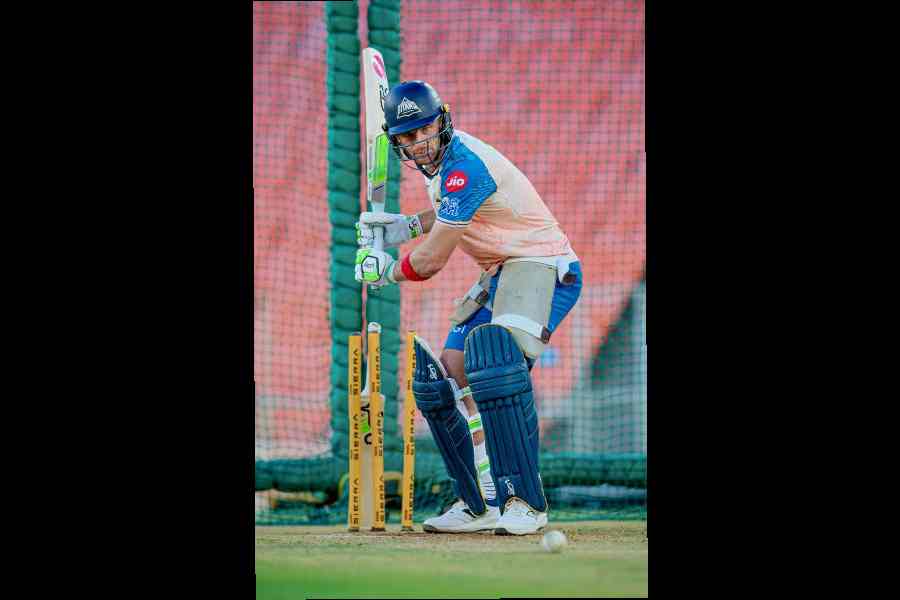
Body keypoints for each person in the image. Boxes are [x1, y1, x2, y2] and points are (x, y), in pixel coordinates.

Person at [355, 80, 582, 535]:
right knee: (452, 370)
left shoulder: (464, 165)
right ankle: (481, 502)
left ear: (443, 121)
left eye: (425, 130)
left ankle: (524, 500)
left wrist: (386, 270)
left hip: (542, 264)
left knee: (496, 366)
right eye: (408, 136)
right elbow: (447, 215)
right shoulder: (439, 170)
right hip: (500, 270)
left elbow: (434, 260)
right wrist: (402, 227)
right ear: (397, 142)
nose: (419, 141)